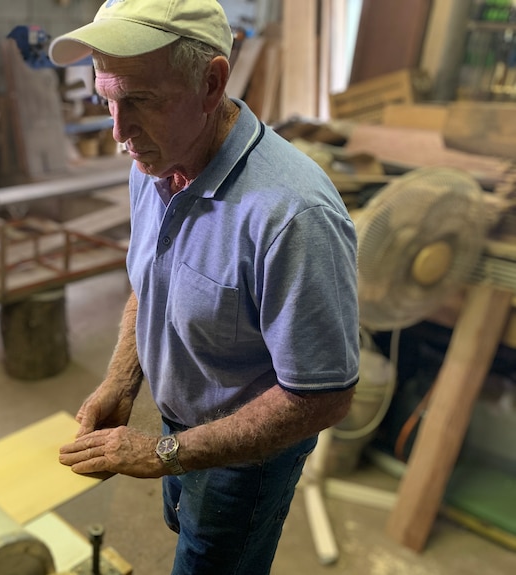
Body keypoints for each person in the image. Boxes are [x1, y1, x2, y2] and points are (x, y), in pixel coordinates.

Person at [48, 1, 360, 573]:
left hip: (246, 461)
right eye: (107, 101)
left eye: (139, 101)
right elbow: (154, 280)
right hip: (178, 425)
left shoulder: (293, 216)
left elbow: (323, 395)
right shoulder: (155, 162)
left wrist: (164, 452)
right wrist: (122, 381)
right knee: (187, 531)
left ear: (211, 83)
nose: (119, 133)